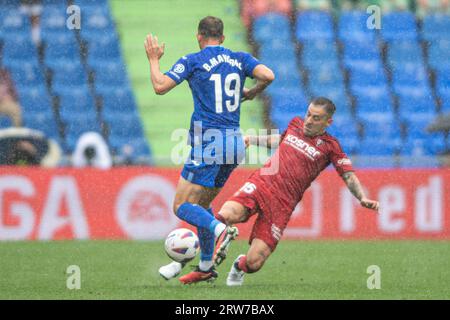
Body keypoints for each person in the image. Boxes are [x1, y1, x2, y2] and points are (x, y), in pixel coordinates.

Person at [144, 16, 275, 284]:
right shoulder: (239, 58)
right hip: (236, 144)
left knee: (182, 205)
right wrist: (251, 92)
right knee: (203, 205)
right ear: (223, 38)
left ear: (199, 36)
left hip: (210, 142)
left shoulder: (193, 60)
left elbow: (160, 87)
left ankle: (219, 231)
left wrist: (154, 59)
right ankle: (205, 266)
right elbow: (268, 75)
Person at [205, 97, 379, 286]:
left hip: (282, 205)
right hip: (261, 184)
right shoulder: (295, 124)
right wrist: (253, 139)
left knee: (255, 262)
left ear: (328, 122)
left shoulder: (331, 146)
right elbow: (280, 140)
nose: (309, 120)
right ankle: (203, 263)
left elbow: (348, 175)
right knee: (226, 214)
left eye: (316, 118)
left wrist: (362, 197)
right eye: (309, 114)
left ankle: (239, 265)